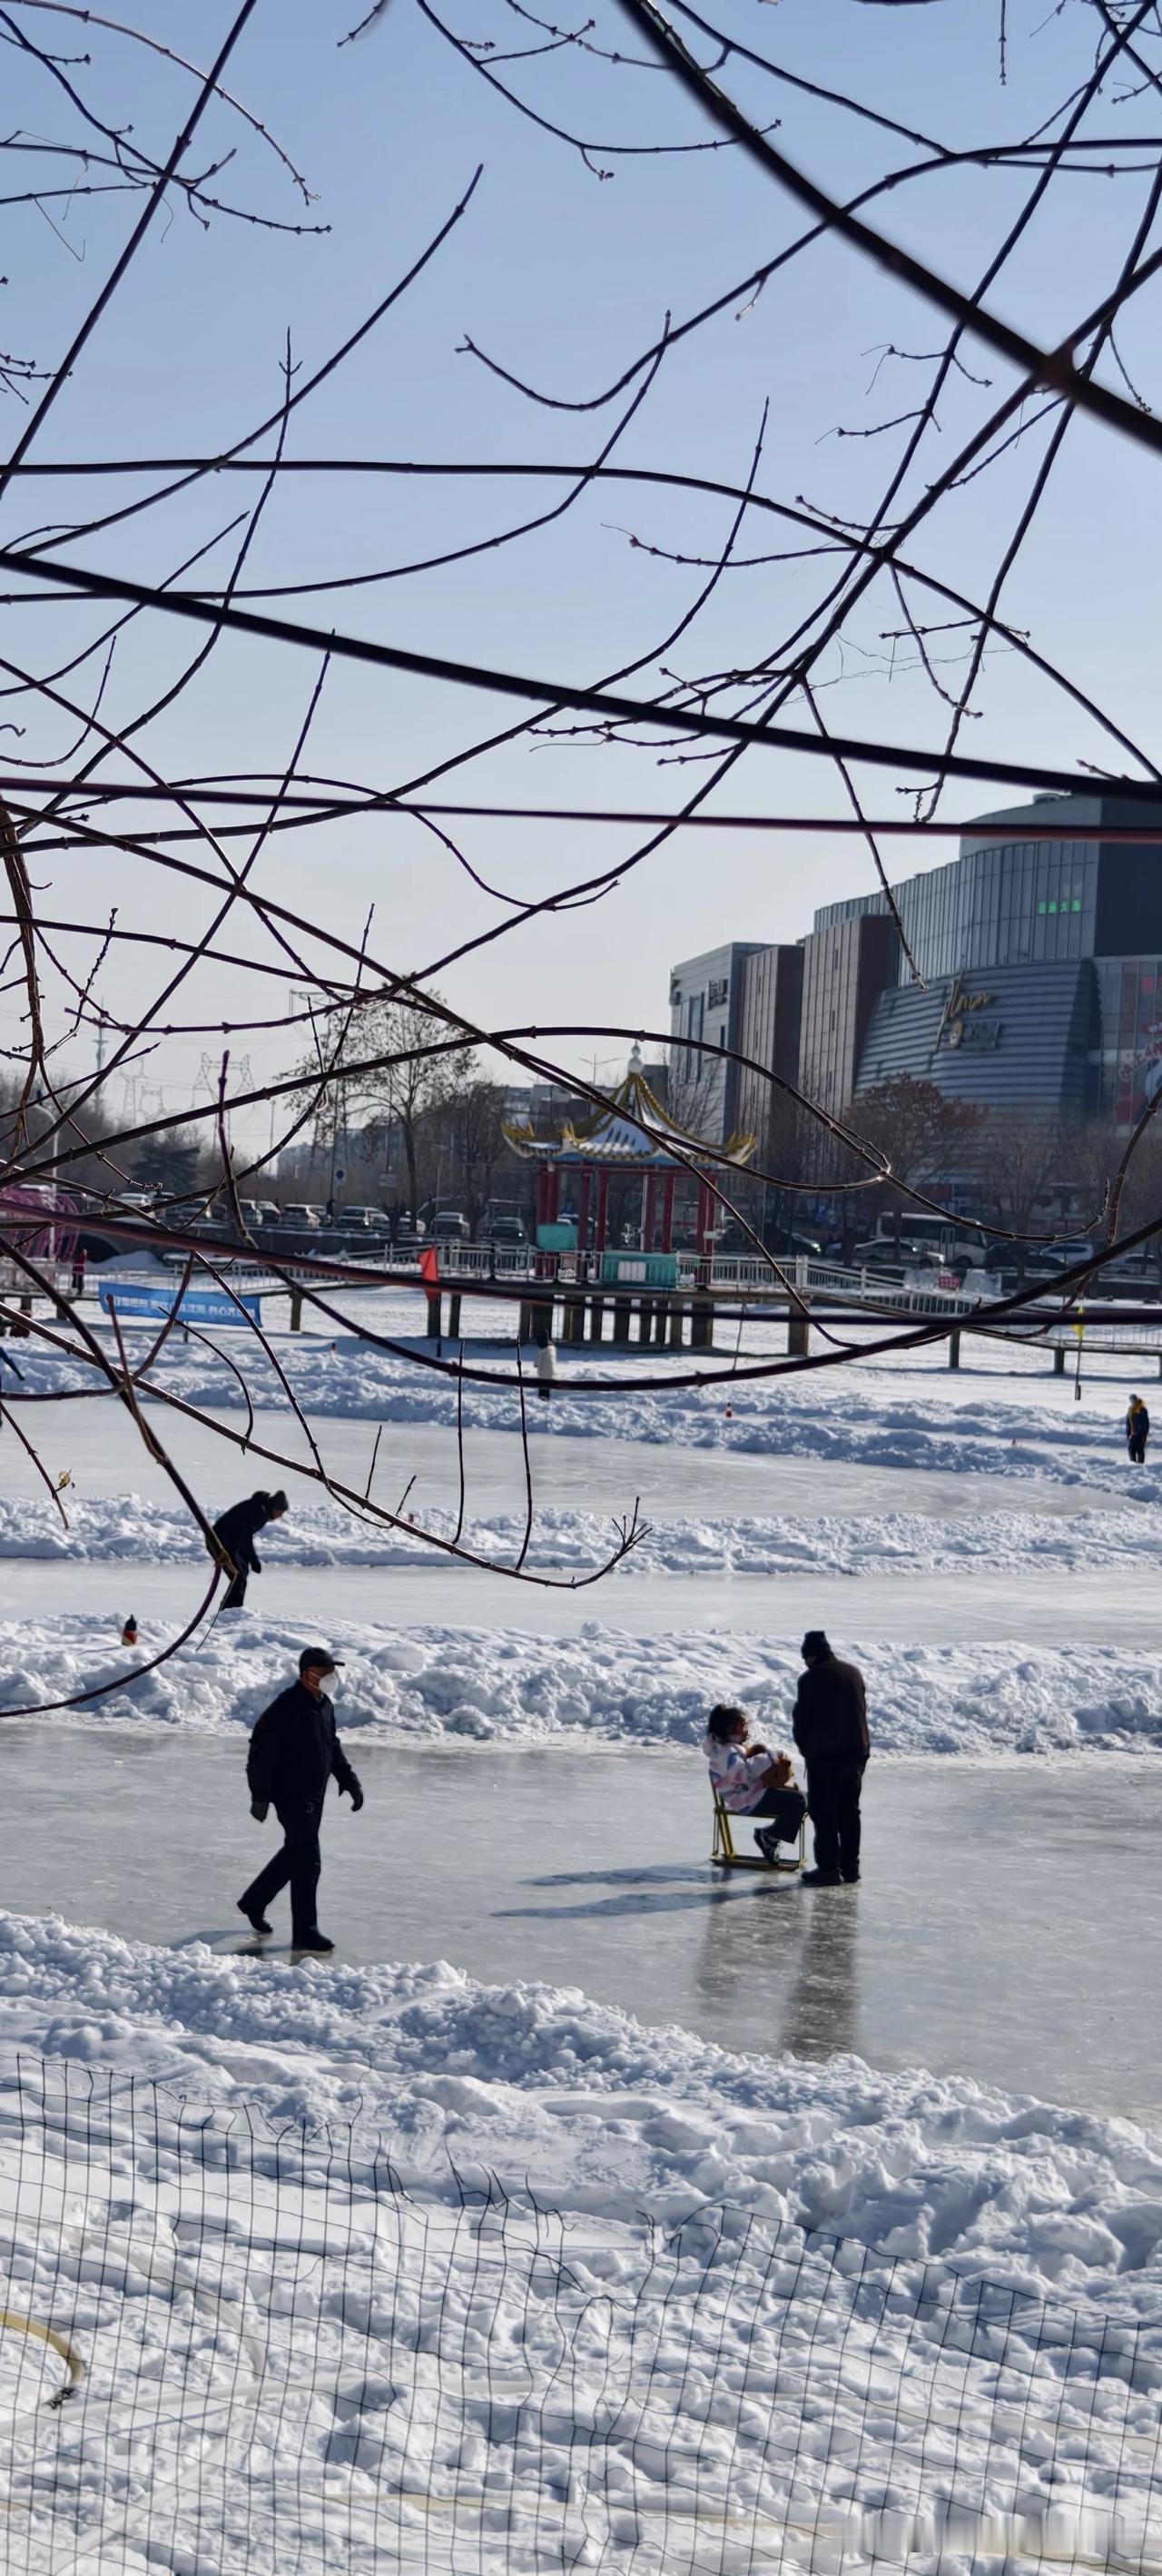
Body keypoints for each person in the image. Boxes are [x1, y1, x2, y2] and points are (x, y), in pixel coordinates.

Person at [238, 1646, 363, 1954]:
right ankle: (305, 1932)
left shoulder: (324, 1705)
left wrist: (348, 1779)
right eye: (325, 1673)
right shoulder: (285, 1708)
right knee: (309, 1861)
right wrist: (260, 1797)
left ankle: (254, 1900)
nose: (331, 1679)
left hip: (315, 1795)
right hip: (290, 1796)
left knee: (296, 1853)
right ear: (307, 1674)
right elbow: (260, 1755)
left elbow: (331, 1746)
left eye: (332, 1674)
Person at [792, 1632, 869, 1887]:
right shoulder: (853, 1673)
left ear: (811, 1656)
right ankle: (850, 1868)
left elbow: (802, 1721)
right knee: (849, 1810)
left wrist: (807, 1749)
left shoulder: (810, 1679)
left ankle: (828, 1868)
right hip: (856, 1752)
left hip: (826, 1755)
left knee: (824, 1811)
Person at [703, 1703, 803, 1861]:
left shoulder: (731, 1749)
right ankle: (769, 1836)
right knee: (798, 1801)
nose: (747, 1729)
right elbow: (742, 1774)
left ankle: (771, 1835)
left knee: (803, 1797)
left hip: (752, 1795)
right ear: (730, 1729)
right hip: (748, 1801)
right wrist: (766, 1760)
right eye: (743, 1725)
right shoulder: (726, 1753)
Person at [212, 1488, 288, 1610]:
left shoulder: (260, 1508)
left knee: (242, 1573)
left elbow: (243, 1536)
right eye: (280, 1512)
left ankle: (232, 1609)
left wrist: (250, 1560)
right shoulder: (259, 1511)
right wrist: (253, 1560)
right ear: (274, 1507)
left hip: (228, 1542)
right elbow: (244, 1536)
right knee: (239, 1575)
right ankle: (229, 1611)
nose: (280, 1516)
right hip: (220, 1543)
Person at [1127, 1395, 1150, 1466]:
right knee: (1131, 1449)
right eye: (1131, 1400)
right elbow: (1128, 1422)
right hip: (1133, 1434)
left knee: (1140, 1450)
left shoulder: (1142, 1410)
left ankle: (1140, 1466)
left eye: (1134, 1400)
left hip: (1140, 1434)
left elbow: (1145, 1423)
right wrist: (1128, 1434)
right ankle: (1133, 1464)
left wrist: (1144, 1434)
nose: (1133, 1402)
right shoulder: (1130, 1409)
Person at [536, 1334, 556, 1404]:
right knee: (547, 1385)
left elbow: (537, 1362)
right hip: (550, 1371)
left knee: (542, 1385)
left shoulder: (542, 1350)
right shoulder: (552, 1349)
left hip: (542, 1372)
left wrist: (536, 1364)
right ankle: (547, 1397)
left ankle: (542, 1399)